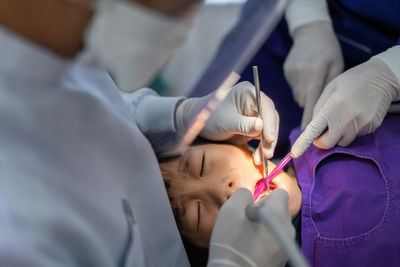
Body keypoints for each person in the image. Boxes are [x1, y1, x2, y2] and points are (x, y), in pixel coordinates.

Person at [0, 0, 292, 266]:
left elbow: (107, 110)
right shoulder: (16, 238)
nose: (225, 190)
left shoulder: (54, 44)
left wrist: (180, 117)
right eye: (181, 5)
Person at [160, 114, 400, 266]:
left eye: (201, 164)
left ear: (233, 139)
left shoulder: (319, 131)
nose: (223, 189)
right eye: (197, 213)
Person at [239, 0, 400, 157]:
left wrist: (390, 71)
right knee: (242, 128)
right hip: (286, 30)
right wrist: (307, 19)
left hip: (387, 42)